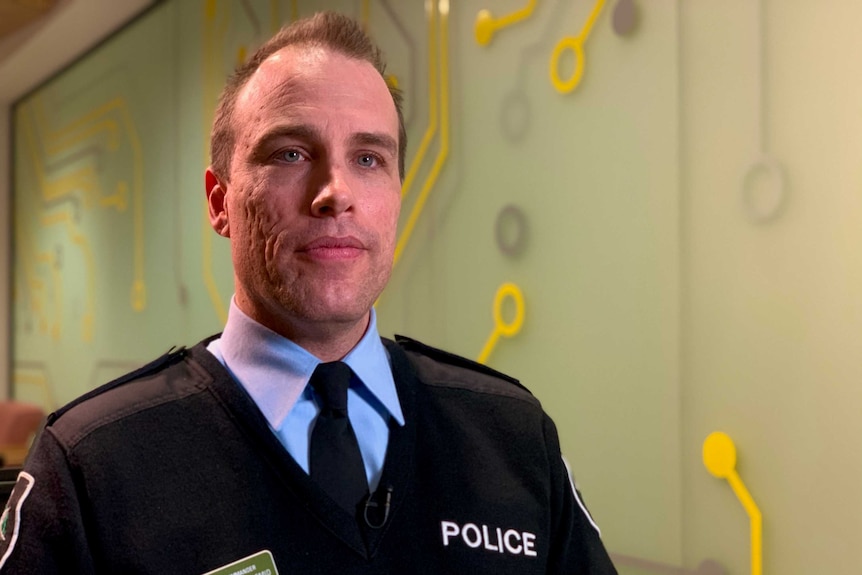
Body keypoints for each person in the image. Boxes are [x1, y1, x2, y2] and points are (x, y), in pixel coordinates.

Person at [0, 12, 617, 574]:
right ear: (220, 202)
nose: (335, 192)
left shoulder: (510, 434)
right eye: (291, 153)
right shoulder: (94, 466)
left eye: (370, 158)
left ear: (397, 197)